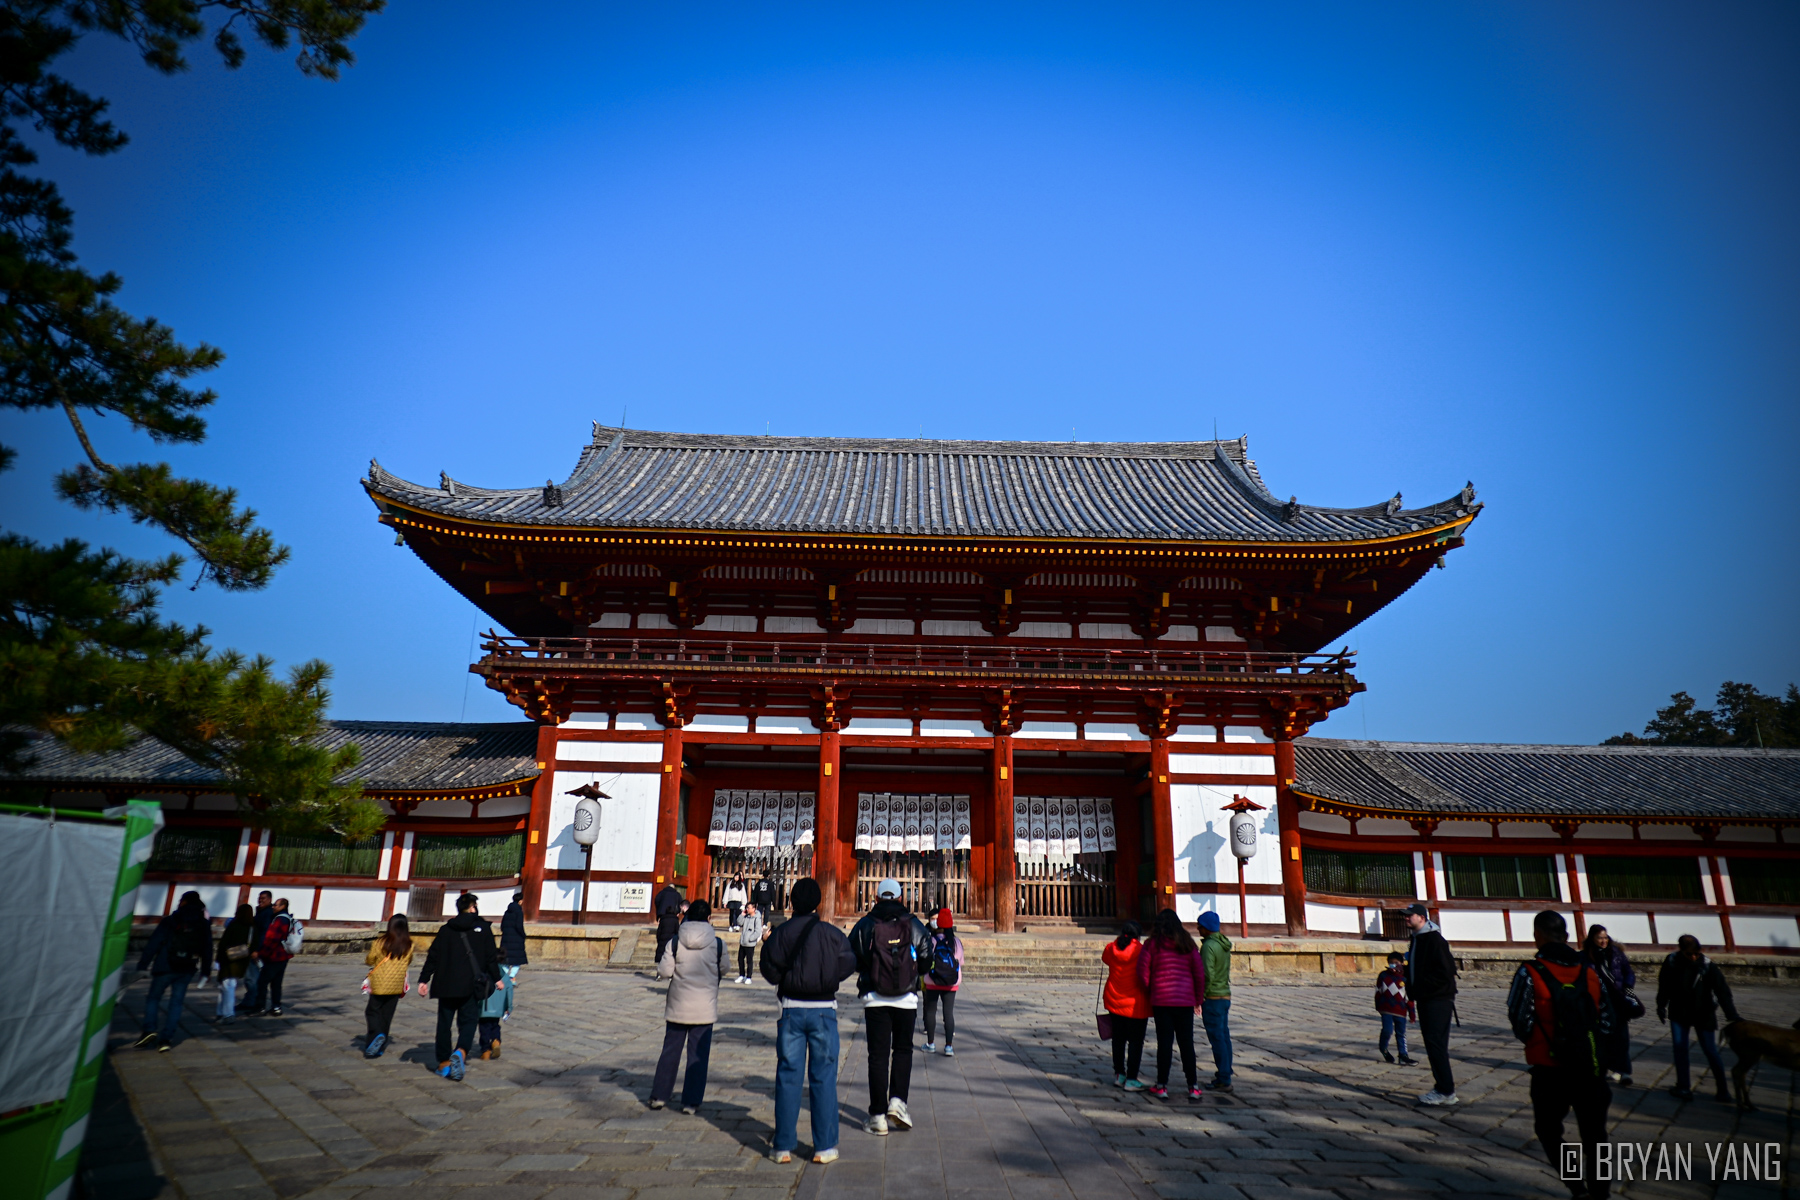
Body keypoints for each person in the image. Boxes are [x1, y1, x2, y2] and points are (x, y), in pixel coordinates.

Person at [1507, 910, 1614, 1200]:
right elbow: (1606, 1018)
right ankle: (1601, 1193)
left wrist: (1541, 1040)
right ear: (1566, 936)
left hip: (1549, 1066)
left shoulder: (1529, 972)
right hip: (1590, 1065)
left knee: (1548, 1130)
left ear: (1537, 936)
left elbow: (1520, 1019)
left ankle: (1577, 1186)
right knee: (1596, 1135)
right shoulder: (1590, 972)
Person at [761, 876, 858, 1165]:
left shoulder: (781, 933)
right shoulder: (832, 934)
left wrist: (786, 978)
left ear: (792, 901)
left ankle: (783, 1146)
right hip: (823, 1009)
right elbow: (848, 961)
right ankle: (824, 1146)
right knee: (823, 1077)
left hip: (791, 1009)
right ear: (818, 902)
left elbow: (768, 967)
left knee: (788, 1077)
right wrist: (827, 978)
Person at [848, 878, 931, 1135]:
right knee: (903, 1050)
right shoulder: (914, 924)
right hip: (906, 998)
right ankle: (898, 1102)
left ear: (876, 898)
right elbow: (927, 958)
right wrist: (911, 971)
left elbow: (851, 956)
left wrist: (871, 968)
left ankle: (877, 1116)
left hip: (875, 997)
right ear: (900, 898)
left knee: (878, 1055)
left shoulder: (865, 924)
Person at [652, 899, 730, 1113]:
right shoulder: (718, 944)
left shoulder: (675, 942)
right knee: (698, 1056)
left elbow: (665, 971)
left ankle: (659, 1095)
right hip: (704, 1006)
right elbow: (725, 968)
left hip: (678, 1004)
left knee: (670, 1052)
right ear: (708, 918)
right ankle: (691, 1102)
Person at [417, 892, 501, 1082]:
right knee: (469, 1021)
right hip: (470, 985)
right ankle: (461, 1051)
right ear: (472, 907)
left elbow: (433, 956)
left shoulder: (446, 929)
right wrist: (497, 979)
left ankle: (444, 1062)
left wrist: (424, 980)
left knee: (444, 1023)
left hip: (445, 983)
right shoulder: (483, 929)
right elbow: (491, 957)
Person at [1655, 934, 1740, 1102]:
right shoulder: (1672, 962)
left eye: (1696, 953)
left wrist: (1731, 1014)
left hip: (1704, 1012)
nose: (1694, 957)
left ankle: (1723, 1090)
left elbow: (1722, 991)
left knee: (1710, 1051)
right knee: (1680, 1049)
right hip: (1679, 1011)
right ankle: (1683, 1087)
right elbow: (1664, 985)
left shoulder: (1707, 965)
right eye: (1689, 954)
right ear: (1681, 951)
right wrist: (1661, 1006)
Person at [1136, 908, 1206, 1101]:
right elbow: (1199, 974)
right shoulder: (1188, 943)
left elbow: (1142, 972)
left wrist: (1151, 989)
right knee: (1187, 1043)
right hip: (1185, 1000)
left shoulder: (1152, 944)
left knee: (1164, 1043)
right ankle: (1193, 1087)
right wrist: (1198, 1000)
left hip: (1162, 1000)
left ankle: (1162, 1086)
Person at [134, 891, 212, 1051]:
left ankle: (149, 1029)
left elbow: (154, 942)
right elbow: (207, 948)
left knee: (153, 998)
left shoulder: (171, 920)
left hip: (165, 965)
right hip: (187, 967)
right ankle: (166, 1039)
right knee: (176, 1002)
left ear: (183, 902)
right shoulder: (203, 924)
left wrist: (143, 964)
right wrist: (206, 971)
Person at [1402, 902, 1459, 1106]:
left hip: (1437, 999)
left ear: (1422, 918)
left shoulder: (1434, 940)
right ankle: (1443, 1087)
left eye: (1410, 915)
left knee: (1436, 1044)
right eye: (1405, 915)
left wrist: (1422, 987)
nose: (1406, 918)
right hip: (1426, 998)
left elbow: (1446, 971)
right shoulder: (1417, 939)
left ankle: (1445, 1090)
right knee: (1432, 1043)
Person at [1582, 924, 1636, 1087]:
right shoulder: (1585, 956)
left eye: (1605, 937)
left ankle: (1623, 1071)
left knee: (1621, 1037)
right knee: (1602, 1038)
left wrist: (1627, 986)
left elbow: (1628, 972)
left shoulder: (1616, 953)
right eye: (1600, 938)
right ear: (1592, 938)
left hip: (1617, 1000)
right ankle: (1604, 1069)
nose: (1603, 941)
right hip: (1598, 1002)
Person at [1102, 921, 1151, 1091]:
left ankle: (1119, 1074)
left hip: (1114, 999)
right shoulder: (1141, 950)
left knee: (1118, 1039)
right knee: (1136, 1042)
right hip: (1135, 1002)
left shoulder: (1111, 948)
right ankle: (1131, 1078)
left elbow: (1105, 959)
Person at [362, 913, 414, 1059]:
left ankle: (376, 1036)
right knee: (387, 1015)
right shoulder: (409, 944)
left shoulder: (380, 942)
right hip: (396, 984)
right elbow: (409, 961)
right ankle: (379, 1046)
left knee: (372, 1011)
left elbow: (370, 959)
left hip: (380, 983)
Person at [1196, 912, 1234, 1092]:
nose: (1198, 929)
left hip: (1212, 997)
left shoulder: (1208, 946)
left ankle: (1224, 1077)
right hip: (1224, 994)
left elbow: (1207, 974)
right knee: (1224, 1036)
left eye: (1200, 926)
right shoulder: (1223, 944)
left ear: (1206, 928)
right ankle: (1226, 1071)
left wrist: (1201, 996)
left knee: (1217, 1038)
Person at [921, 907, 963, 1057]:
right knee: (948, 1013)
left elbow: (925, 959)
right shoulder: (956, 942)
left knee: (931, 1011)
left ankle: (930, 1043)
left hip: (932, 980)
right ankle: (949, 1046)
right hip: (951, 982)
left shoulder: (931, 940)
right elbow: (960, 961)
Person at [250, 897, 296, 1016]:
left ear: (283, 906)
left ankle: (260, 1007)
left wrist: (262, 953)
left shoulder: (279, 920)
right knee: (276, 983)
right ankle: (276, 1007)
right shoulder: (288, 918)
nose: (273, 907)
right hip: (283, 955)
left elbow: (272, 939)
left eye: (276, 905)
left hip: (274, 956)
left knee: (262, 982)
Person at [1374, 951, 1417, 1066]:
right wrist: (1378, 1006)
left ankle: (1403, 1055)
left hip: (1401, 1010)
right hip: (1386, 1009)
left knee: (1401, 1033)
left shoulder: (1405, 978)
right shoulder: (1383, 975)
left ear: (1402, 963)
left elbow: (1409, 998)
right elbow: (1378, 991)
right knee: (1387, 1030)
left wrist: (1412, 1014)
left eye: (1396, 962)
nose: (1394, 965)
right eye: (1391, 963)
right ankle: (1383, 1047)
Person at [213, 903, 254, 1024]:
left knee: (227, 986)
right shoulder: (252, 927)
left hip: (228, 959)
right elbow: (254, 944)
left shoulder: (234, 925)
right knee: (228, 985)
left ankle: (228, 1014)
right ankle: (221, 1012)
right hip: (242, 959)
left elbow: (223, 943)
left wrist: (218, 959)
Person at [239, 890, 274, 1013]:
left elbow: (264, 933)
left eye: (264, 898)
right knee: (250, 977)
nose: (261, 900)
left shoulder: (267, 913)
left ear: (269, 899)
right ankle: (250, 1000)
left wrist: (257, 949)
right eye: (260, 898)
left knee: (252, 978)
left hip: (257, 949)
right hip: (253, 947)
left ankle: (252, 1002)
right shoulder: (261, 912)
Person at [501, 890, 529, 987]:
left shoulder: (507, 912)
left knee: (505, 960)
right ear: (520, 901)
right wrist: (523, 935)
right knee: (517, 960)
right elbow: (519, 926)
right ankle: (511, 976)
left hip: (506, 938)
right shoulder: (519, 912)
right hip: (516, 939)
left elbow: (502, 925)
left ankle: (504, 976)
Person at [737, 902, 766, 984]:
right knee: (740, 959)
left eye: (749, 908)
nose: (747, 909)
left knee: (749, 960)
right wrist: (742, 914)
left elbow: (757, 931)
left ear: (754, 909)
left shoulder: (757, 918)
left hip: (750, 943)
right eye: (747, 908)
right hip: (743, 942)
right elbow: (739, 922)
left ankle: (749, 976)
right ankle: (741, 975)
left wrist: (751, 938)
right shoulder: (746, 916)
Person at [654, 883, 684, 964]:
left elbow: (657, 900)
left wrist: (659, 910)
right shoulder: (677, 894)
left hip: (663, 914)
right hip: (673, 915)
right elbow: (680, 903)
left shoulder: (661, 893)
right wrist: (678, 912)